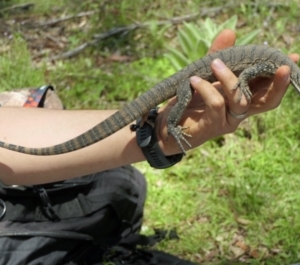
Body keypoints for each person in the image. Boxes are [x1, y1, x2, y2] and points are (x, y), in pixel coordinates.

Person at [0, 29, 297, 186]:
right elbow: (247, 72)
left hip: (183, 86)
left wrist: (158, 131)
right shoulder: (277, 63)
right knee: (182, 99)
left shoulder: (279, 64)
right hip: (185, 83)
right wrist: (170, 127)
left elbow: (251, 72)